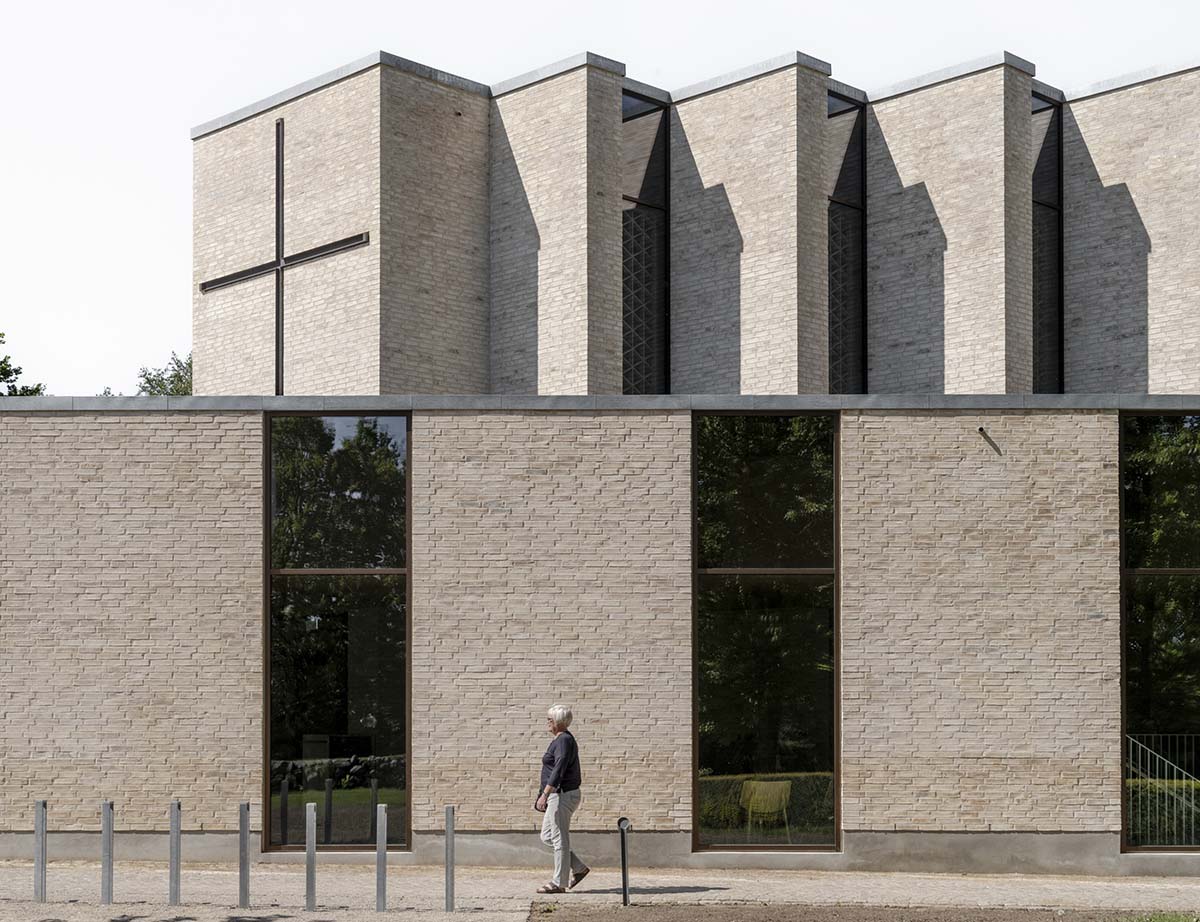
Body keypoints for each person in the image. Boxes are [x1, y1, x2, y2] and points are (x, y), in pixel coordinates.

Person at [535, 704, 589, 894]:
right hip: (558, 795)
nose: (547, 723)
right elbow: (551, 770)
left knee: (559, 839)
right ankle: (579, 868)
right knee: (547, 836)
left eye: (549, 720)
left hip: (563, 795)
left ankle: (559, 883)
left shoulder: (564, 740)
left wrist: (546, 794)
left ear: (558, 722)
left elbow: (559, 769)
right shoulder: (560, 740)